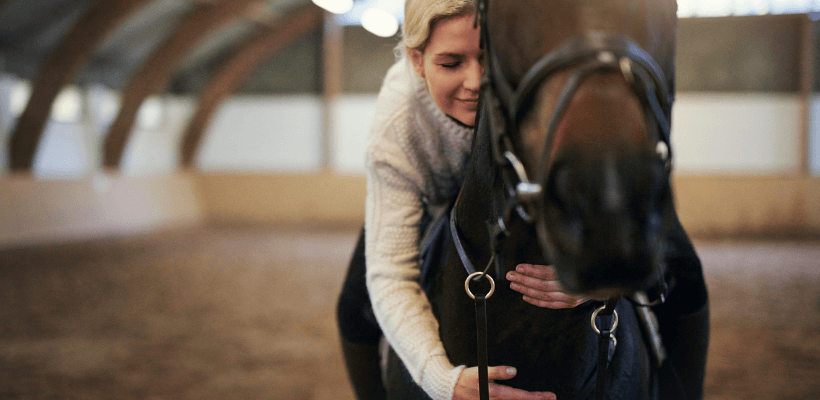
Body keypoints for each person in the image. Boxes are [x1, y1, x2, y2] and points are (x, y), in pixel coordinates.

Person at [336, 1, 586, 400]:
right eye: (451, 63)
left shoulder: (541, 86)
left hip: (523, 197)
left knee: (682, 273)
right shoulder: (396, 122)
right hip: (430, 201)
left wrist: (598, 277)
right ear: (417, 61)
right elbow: (390, 273)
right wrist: (442, 382)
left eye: (489, 59)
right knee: (354, 309)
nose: (476, 82)